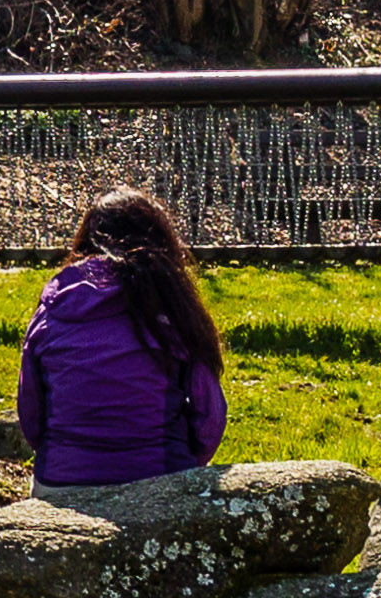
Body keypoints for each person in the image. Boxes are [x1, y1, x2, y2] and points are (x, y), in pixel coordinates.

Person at [17, 189, 229, 487]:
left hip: (63, 481)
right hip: (160, 478)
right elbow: (209, 419)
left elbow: (31, 413)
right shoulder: (175, 311)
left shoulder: (53, 310)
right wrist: (187, 464)